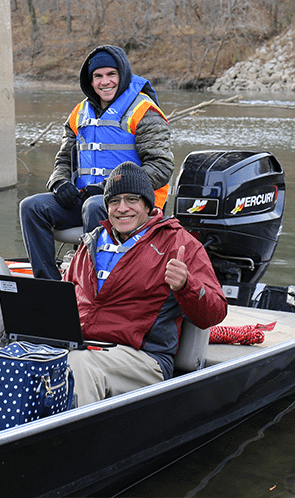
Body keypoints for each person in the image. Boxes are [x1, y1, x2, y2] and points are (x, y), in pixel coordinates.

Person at [64, 161, 227, 406]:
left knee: (79, 364)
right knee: (18, 356)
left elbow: (214, 313)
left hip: (144, 358)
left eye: (132, 200)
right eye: (114, 201)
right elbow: (64, 301)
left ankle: (69, 442)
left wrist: (186, 285)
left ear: (148, 205)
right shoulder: (90, 242)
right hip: (83, 346)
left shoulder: (178, 243)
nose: (122, 208)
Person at [19, 45, 174, 280]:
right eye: (98, 76)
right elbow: (63, 159)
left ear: (122, 75)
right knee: (31, 207)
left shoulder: (144, 111)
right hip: (85, 199)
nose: (105, 82)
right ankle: (48, 284)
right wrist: (59, 183)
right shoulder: (79, 112)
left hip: (133, 204)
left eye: (111, 74)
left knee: (94, 206)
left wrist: (110, 190)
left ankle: (92, 283)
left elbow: (161, 167)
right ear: (90, 81)